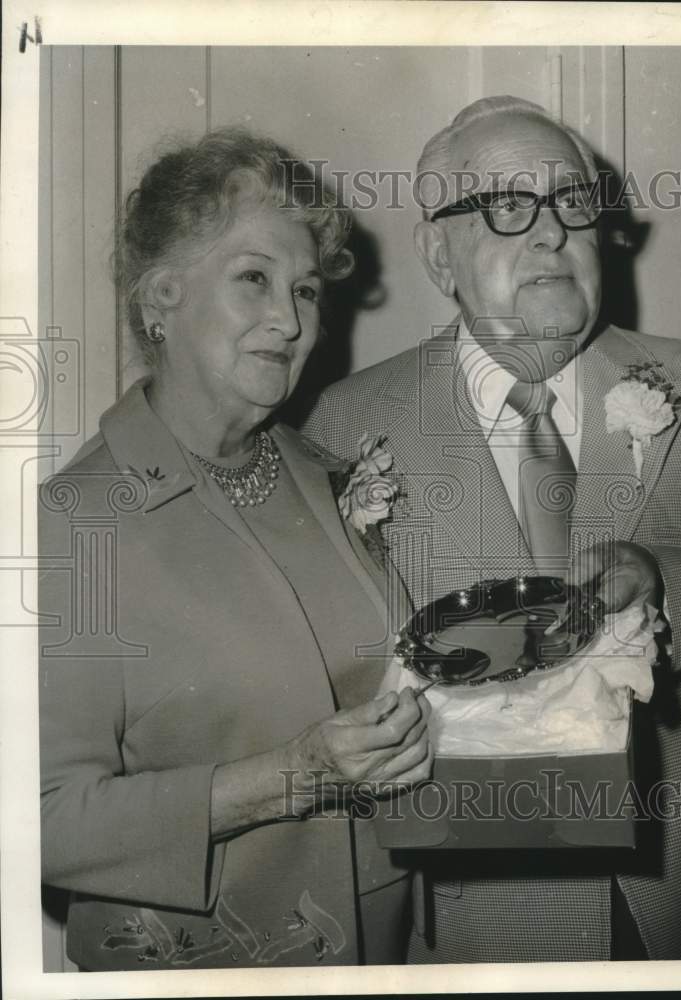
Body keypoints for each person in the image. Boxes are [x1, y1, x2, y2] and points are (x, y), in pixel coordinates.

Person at [303, 96, 681, 961]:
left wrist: (668, 585)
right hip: (482, 913)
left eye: (573, 201)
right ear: (438, 251)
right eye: (508, 204)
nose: (551, 232)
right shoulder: (344, 424)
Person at [38, 127, 432, 971]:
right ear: (160, 299)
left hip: (388, 951)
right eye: (254, 279)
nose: (290, 322)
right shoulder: (75, 521)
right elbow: (39, 820)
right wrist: (285, 776)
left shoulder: (324, 471)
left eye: (307, 291)